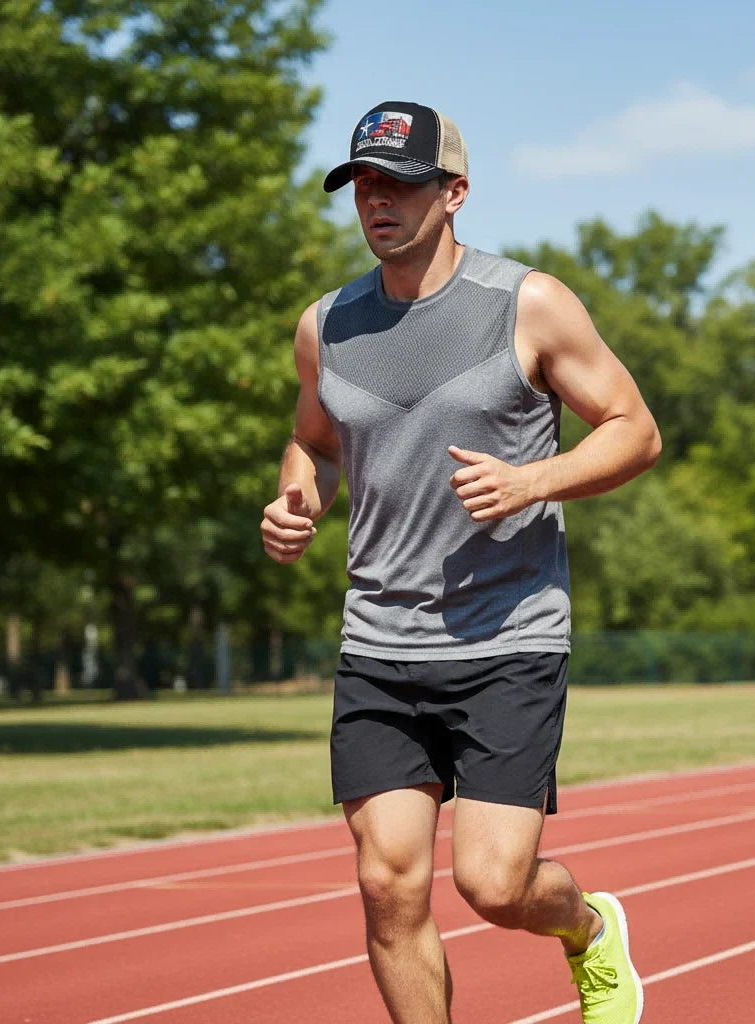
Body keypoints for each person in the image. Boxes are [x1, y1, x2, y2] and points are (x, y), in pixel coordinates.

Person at [261, 100, 660, 1024]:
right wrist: (296, 500)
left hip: (507, 638)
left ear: (454, 193)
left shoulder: (528, 303)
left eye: (398, 184)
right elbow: (314, 443)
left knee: (493, 882)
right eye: (363, 184)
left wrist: (532, 481)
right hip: (379, 641)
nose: (377, 202)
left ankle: (589, 928)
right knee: (387, 883)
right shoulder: (326, 325)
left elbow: (635, 430)